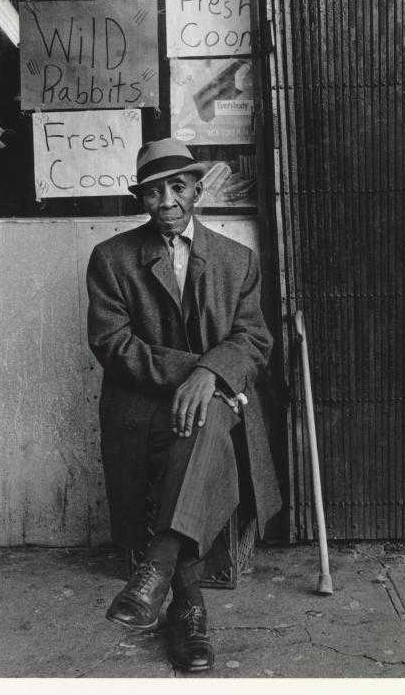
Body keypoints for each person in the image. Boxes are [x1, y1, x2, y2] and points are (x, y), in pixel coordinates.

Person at [86, 138, 282, 673]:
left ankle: (160, 571)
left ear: (198, 188)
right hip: (141, 403)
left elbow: (253, 340)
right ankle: (189, 608)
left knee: (210, 415)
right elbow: (113, 343)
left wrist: (210, 376)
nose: (167, 201)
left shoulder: (238, 260)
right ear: (141, 200)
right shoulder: (111, 259)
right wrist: (193, 373)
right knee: (201, 420)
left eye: (177, 187)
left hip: (220, 401)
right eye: (153, 192)